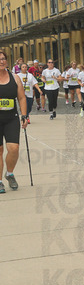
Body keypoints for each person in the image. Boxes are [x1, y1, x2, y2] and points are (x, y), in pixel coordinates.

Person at [0, 50, 29, 192]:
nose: (1, 61)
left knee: (14, 148)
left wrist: (24, 115)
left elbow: (22, 98)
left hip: (11, 118)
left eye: (3, 59)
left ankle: (9, 174)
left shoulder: (15, 78)